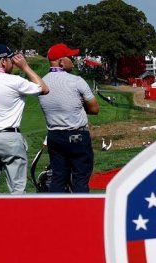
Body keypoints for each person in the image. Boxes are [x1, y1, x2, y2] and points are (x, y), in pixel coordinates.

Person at [37, 43, 99, 193]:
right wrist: (81, 106)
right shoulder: (76, 80)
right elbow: (94, 109)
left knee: (58, 177)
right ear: (61, 62)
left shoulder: (41, 83)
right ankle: (80, 207)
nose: (73, 60)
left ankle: (56, 207)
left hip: (54, 136)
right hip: (77, 135)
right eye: (70, 57)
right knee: (80, 178)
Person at [0, 44, 49, 194]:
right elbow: (43, 88)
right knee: (17, 190)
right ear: (3, 61)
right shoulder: (14, 81)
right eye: (11, 60)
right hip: (9, 137)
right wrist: (25, 67)